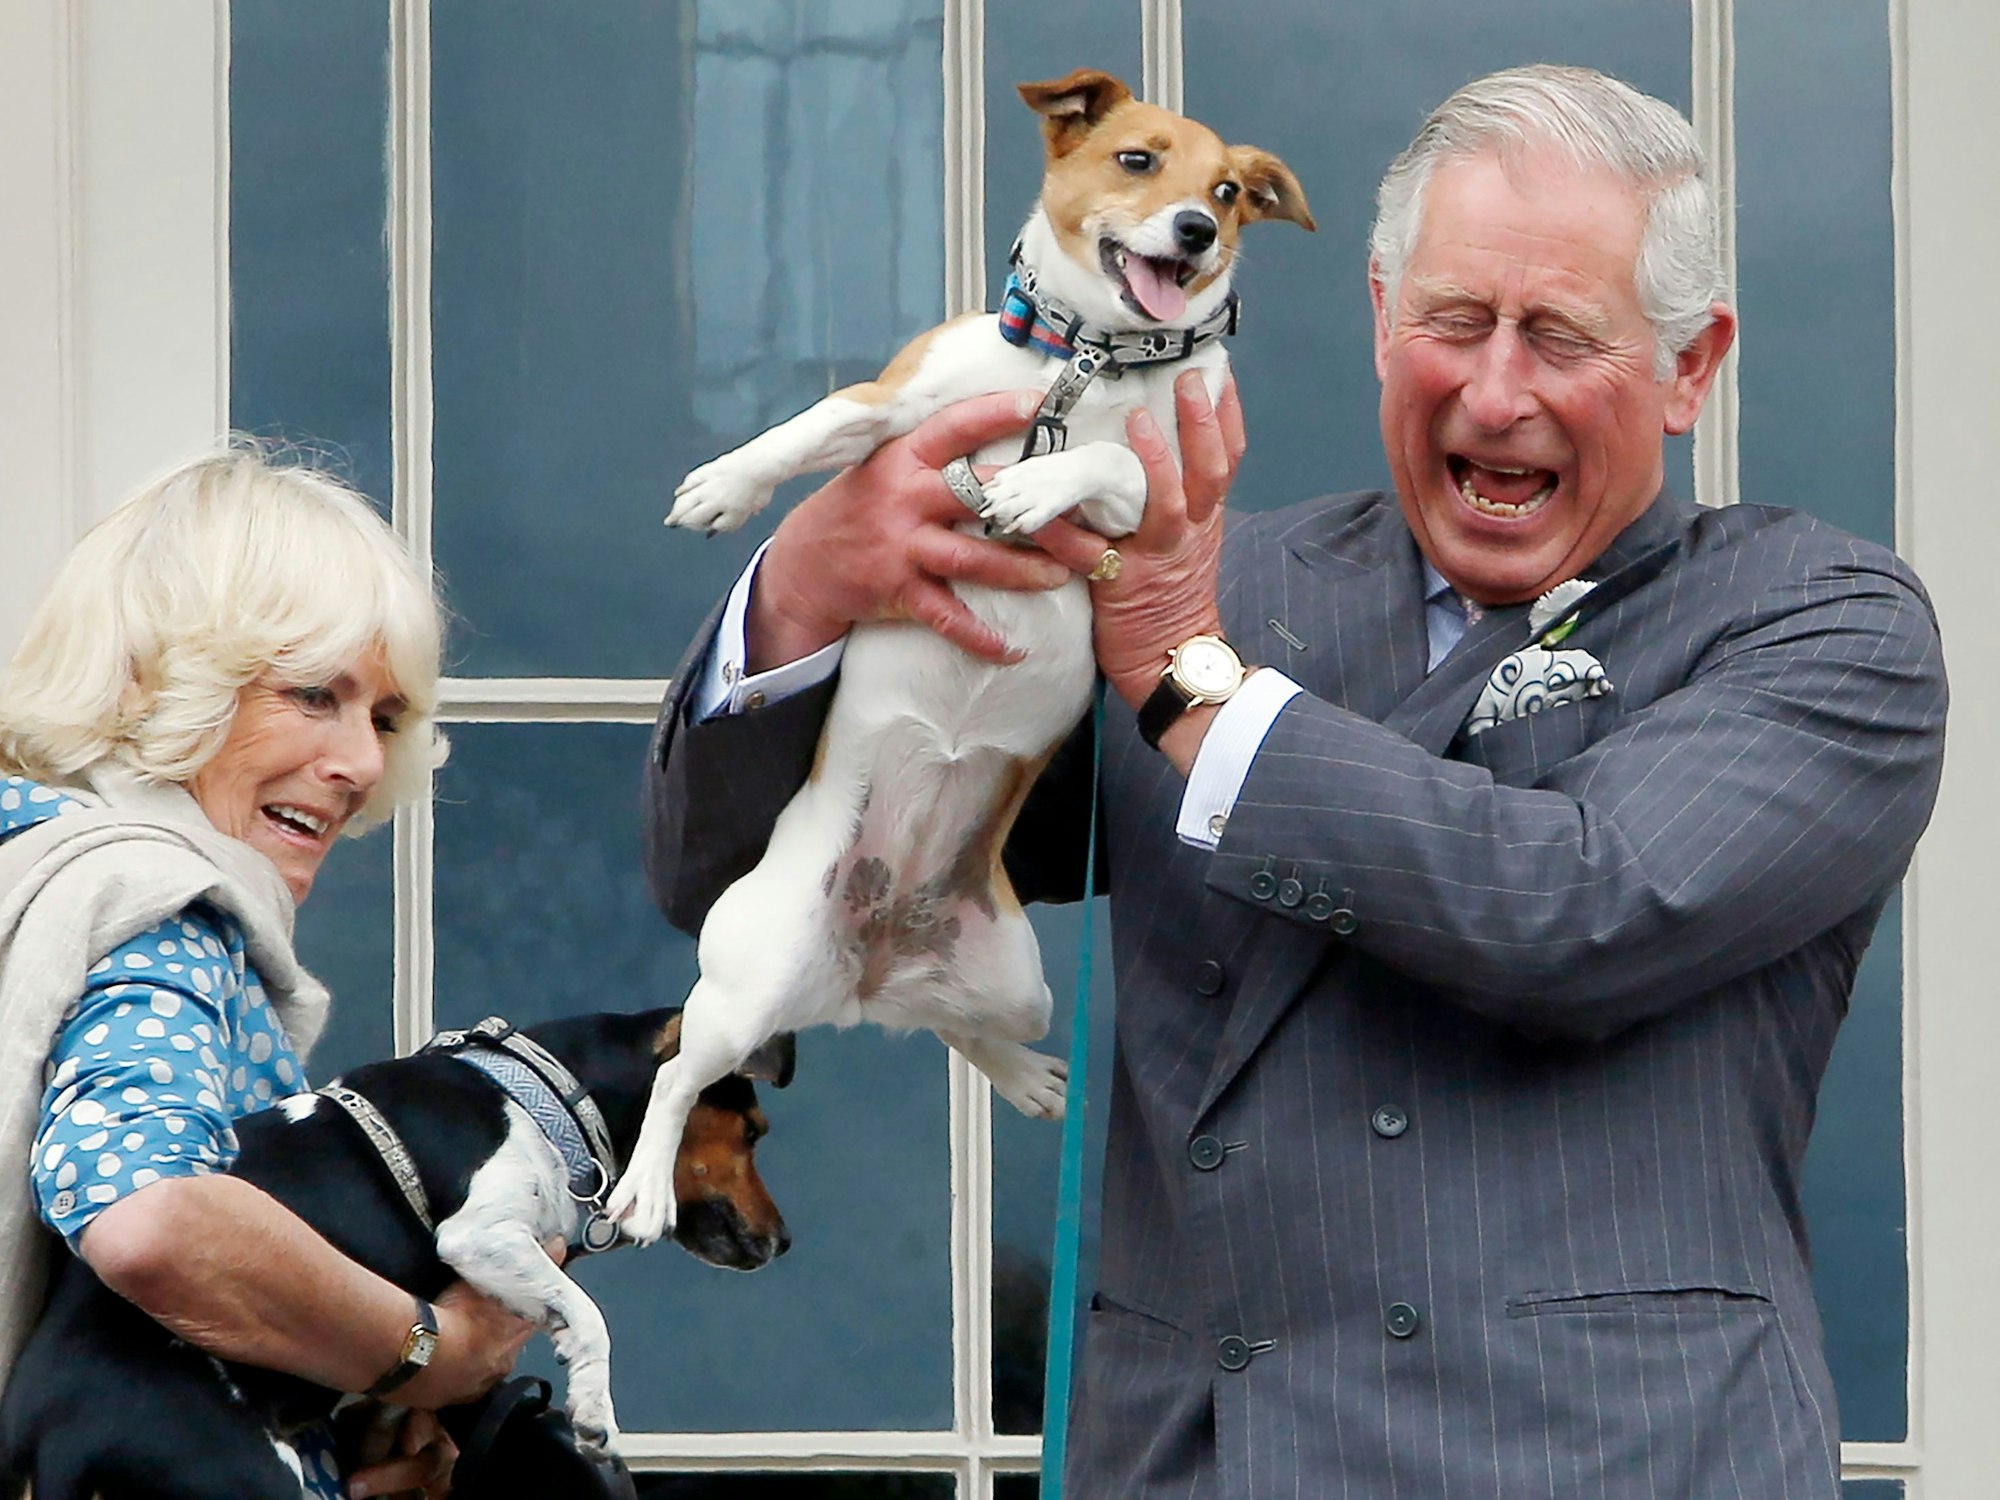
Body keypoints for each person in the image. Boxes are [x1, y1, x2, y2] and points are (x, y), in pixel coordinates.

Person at [640, 65, 1946, 1496]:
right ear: (1382, 319)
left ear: (1689, 367)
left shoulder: (1820, 622)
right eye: (1454, 321)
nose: (1495, 391)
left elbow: (1579, 909)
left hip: (1609, 1458)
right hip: (1201, 1460)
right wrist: (810, 592)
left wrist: (1184, 678)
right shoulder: (1212, 575)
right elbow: (749, 869)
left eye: (1560, 337)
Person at [0, 448, 538, 1500]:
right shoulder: (153, 910)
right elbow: (145, 1210)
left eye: (384, 718)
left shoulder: (30, 865)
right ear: (149, 680)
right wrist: (425, 1353)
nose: (365, 764)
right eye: (313, 694)